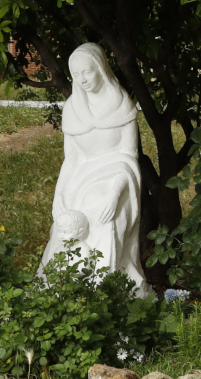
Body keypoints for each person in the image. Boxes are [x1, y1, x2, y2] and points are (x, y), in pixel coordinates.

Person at [38, 43, 149, 297]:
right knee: (65, 219)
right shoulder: (72, 109)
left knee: (105, 216)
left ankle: (105, 289)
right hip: (80, 178)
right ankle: (60, 288)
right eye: (76, 74)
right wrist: (59, 195)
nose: (82, 79)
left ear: (101, 69)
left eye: (87, 72)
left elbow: (128, 158)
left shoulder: (122, 105)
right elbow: (72, 159)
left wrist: (114, 194)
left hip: (117, 182)